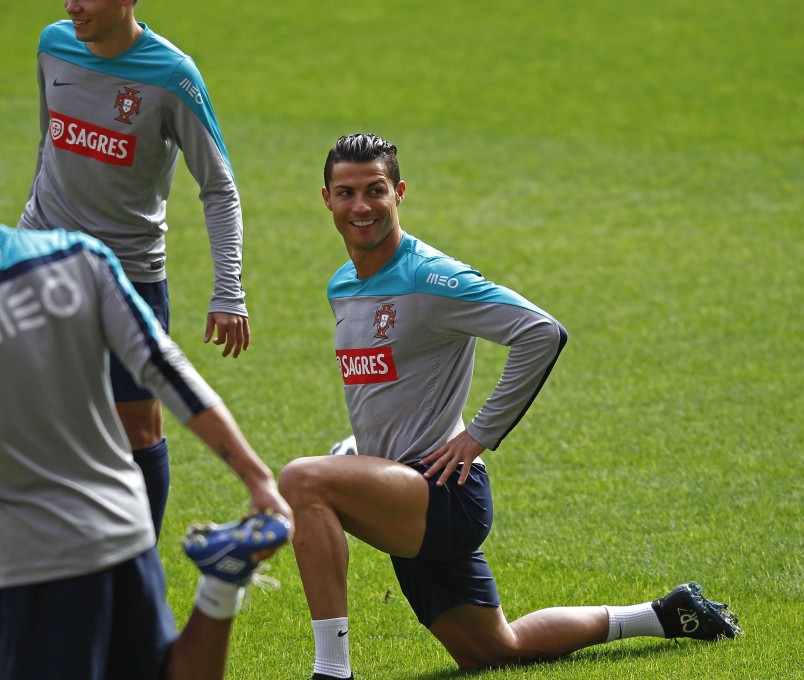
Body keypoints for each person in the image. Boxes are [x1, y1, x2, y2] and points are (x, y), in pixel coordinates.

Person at [0, 117, 292, 680]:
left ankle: (221, 586)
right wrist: (255, 476)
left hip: (35, 561)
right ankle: (220, 588)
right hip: (125, 530)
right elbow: (165, 369)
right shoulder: (82, 258)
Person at [277, 133, 741, 679]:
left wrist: (478, 435)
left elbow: (540, 333)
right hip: (400, 491)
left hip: (440, 493)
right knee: (496, 650)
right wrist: (363, 454)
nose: (361, 206)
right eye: (346, 192)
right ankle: (665, 614)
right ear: (326, 199)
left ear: (399, 193)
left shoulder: (432, 277)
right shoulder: (342, 285)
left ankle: (332, 672)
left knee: (303, 480)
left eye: (375, 190)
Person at [18, 0, 251, 538]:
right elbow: (47, 141)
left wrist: (228, 290)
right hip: (44, 259)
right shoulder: (52, 45)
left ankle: (135, 570)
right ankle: (61, 552)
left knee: (138, 429)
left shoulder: (171, 75)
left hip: (128, 277)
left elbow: (218, 187)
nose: (72, 6)